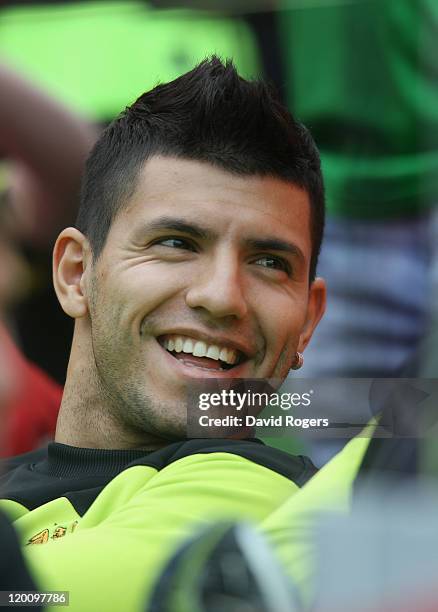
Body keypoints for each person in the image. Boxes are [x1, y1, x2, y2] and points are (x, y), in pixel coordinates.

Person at [0, 57, 326, 611]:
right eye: (176, 243)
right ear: (76, 274)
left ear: (308, 323)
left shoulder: (267, 498)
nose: (223, 296)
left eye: (270, 262)